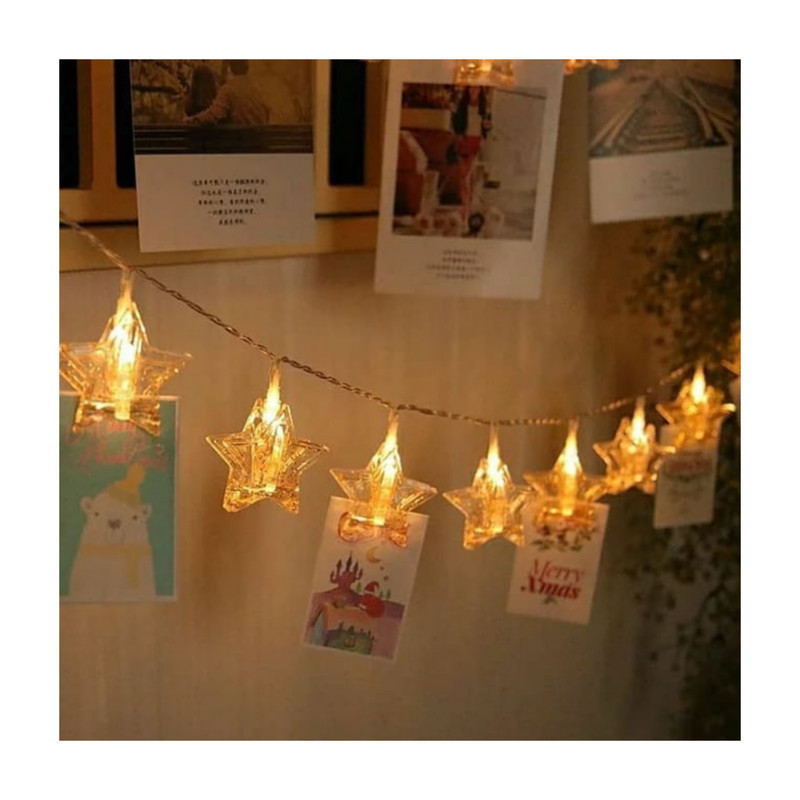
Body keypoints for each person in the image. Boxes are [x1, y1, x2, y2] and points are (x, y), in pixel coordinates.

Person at [185, 60, 270, 125]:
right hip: (259, 140)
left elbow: (215, 114)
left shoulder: (229, 89)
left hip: (240, 140)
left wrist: (191, 120)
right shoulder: (257, 88)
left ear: (229, 68)